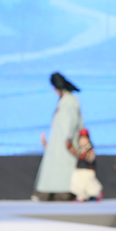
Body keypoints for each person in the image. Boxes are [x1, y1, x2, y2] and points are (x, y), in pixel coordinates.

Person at [33, 72, 84, 201]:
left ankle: (64, 193)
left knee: (65, 170)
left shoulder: (71, 100)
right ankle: (50, 193)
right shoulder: (63, 100)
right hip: (58, 143)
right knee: (54, 169)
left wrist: (69, 138)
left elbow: (74, 121)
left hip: (67, 142)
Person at [66, 128, 103, 201]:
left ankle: (98, 194)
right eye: (81, 139)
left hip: (87, 171)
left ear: (88, 140)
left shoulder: (90, 149)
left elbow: (90, 158)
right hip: (79, 170)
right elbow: (73, 151)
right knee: (77, 183)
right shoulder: (79, 149)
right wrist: (68, 144)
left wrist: (84, 155)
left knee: (89, 185)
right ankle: (81, 196)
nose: (82, 141)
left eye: (84, 139)